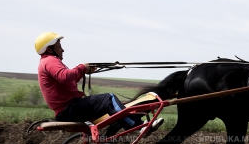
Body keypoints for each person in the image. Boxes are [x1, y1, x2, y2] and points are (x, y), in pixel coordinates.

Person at [34, 31, 162, 136]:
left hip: (68, 109)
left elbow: (69, 82)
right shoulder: (50, 60)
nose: (62, 50)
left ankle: (136, 125)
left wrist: (83, 71)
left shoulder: (46, 61)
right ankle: (139, 127)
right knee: (109, 99)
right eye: (59, 46)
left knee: (118, 105)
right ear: (49, 49)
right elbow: (65, 76)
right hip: (70, 109)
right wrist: (82, 67)